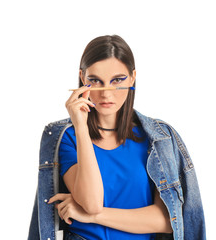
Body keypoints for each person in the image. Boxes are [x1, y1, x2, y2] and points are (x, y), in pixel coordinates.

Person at [28, 35, 206, 240]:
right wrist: (80, 125)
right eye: (95, 81)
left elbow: (167, 221)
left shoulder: (159, 139)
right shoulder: (67, 137)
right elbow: (92, 203)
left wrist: (94, 217)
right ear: (82, 78)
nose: (106, 94)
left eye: (117, 80)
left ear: (133, 78)